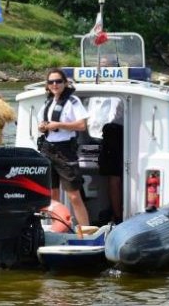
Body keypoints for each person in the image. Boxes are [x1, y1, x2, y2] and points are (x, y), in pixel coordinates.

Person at [37, 69, 91, 227]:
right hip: (47, 149)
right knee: (53, 194)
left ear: (65, 83)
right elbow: (42, 124)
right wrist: (42, 127)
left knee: (74, 195)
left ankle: (86, 231)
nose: (55, 84)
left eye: (58, 81)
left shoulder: (73, 101)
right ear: (47, 85)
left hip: (65, 151)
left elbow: (82, 125)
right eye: (51, 82)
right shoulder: (48, 102)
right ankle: (58, 227)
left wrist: (59, 124)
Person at [88, 96, 124, 223]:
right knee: (115, 178)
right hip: (114, 133)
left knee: (115, 179)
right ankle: (118, 216)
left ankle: (117, 215)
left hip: (112, 132)